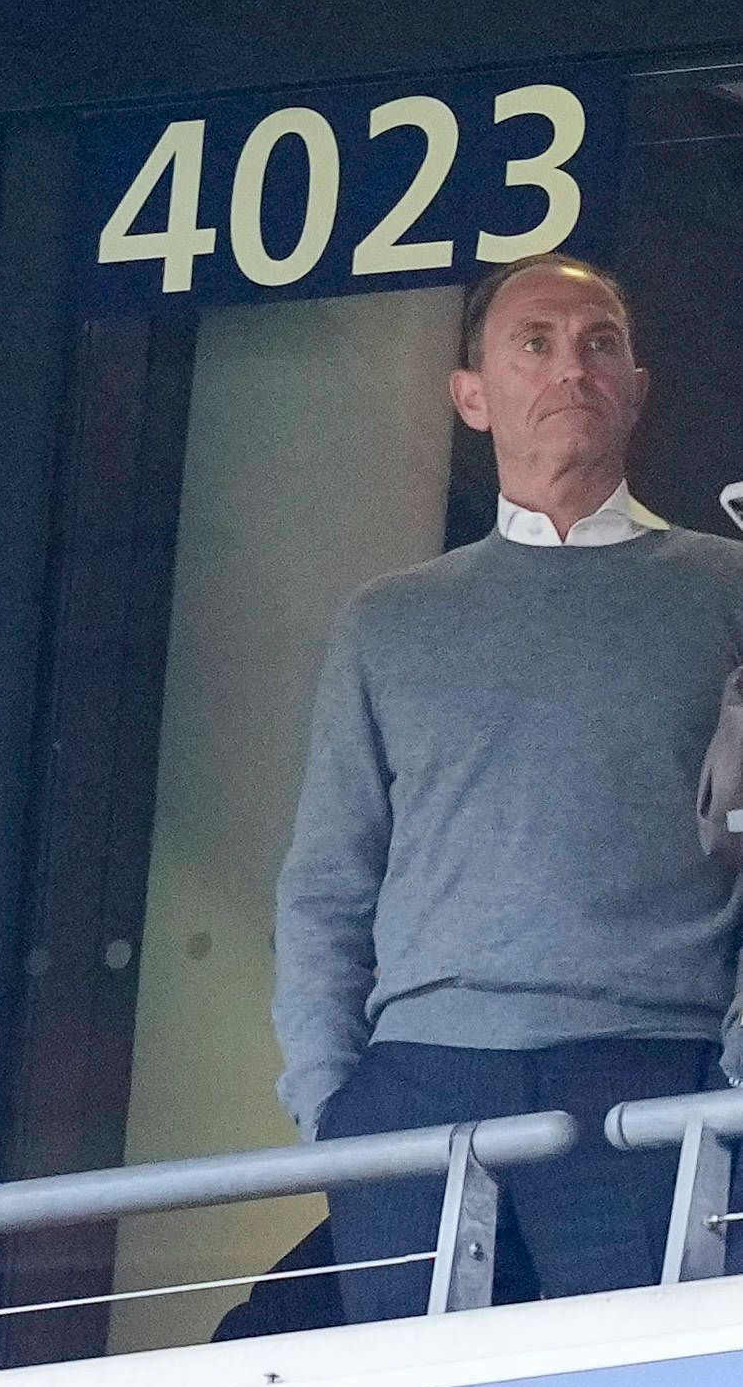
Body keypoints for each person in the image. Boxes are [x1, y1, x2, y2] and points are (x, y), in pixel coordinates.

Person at [273, 253, 743, 1322]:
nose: (570, 365)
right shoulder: (390, 619)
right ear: (471, 395)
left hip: (656, 1073)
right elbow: (327, 879)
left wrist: (736, 1084)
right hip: (417, 1083)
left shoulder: (727, 592)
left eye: (600, 342)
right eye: (534, 341)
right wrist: (330, 1103)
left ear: (636, 385)